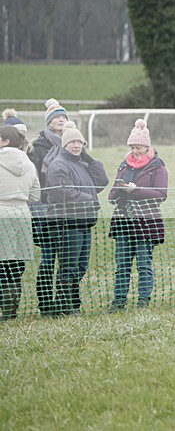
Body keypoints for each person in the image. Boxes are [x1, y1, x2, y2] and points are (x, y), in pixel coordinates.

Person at [45, 121, 108, 315]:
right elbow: (63, 193)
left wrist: (90, 160)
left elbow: (102, 182)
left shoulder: (81, 163)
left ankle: (70, 303)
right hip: (67, 223)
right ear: (64, 145)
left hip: (84, 223)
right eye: (72, 142)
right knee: (69, 266)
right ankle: (65, 306)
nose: (77, 146)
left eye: (80, 142)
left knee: (80, 266)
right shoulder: (59, 165)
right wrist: (90, 200)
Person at [107, 119, 168, 311]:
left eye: (139, 147)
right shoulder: (123, 166)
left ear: (147, 146)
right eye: (132, 147)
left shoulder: (158, 167)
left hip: (146, 223)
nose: (135, 150)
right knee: (122, 265)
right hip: (123, 221)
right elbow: (112, 194)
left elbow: (161, 194)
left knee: (144, 264)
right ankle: (118, 302)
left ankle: (143, 301)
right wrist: (119, 191)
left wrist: (135, 190)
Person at [30, 98, 70, 316]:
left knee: (66, 257)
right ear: (49, 122)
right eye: (57, 117)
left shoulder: (73, 143)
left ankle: (63, 302)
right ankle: (45, 304)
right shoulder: (40, 147)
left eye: (64, 117)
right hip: (45, 206)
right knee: (48, 257)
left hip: (66, 207)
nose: (61, 120)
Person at [0, 126, 40, 321]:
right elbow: (35, 196)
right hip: (23, 215)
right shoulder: (29, 163)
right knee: (16, 265)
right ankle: (11, 310)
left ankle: (4, 308)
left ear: (5, 141)